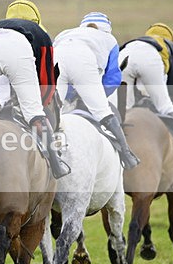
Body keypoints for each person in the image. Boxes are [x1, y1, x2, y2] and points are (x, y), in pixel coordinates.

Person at [0, 0, 69, 178]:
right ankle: (57, 165)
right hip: (15, 51)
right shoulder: (40, 33)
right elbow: (47, 81)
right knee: (34, 113)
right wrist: (39, 105)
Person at [53, 12, 139, 169]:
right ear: (106, 29)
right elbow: (113, 79)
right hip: (83, 61)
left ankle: (49, 155)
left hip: (58, 57)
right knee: (102, 111)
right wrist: (93, 96)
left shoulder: (64, 34)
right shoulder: (109, 39)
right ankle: (127, 154)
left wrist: (71, 95)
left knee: (54, 111)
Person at [119, 23, 173, 158]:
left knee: (126, 109)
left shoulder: (137, 41)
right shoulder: (170, 47)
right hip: (149, 59)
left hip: (123, 55)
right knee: (165, 106)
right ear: (169, 38)